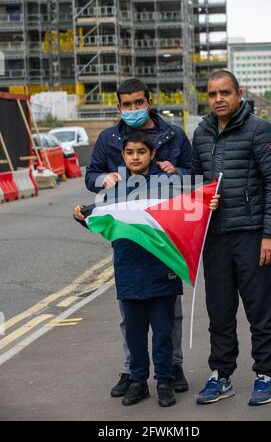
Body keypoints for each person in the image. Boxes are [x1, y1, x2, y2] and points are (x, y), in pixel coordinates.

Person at [74, 131, 220, 407]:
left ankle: (165, 380)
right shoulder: (113, 188)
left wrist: (207, 203)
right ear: (123, 156)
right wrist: (82, 215)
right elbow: (101, 218)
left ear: (152, 154)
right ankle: (138, 381)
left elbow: (191, 206)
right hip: (127, 268)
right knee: (135, 333)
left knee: (164, 332)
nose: (135, 157)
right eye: (130, 153)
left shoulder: (169, 183)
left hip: (161, 267)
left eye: (141, 152)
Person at [84, 78, 193, 396]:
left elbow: (193, 173)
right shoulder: (109, 138)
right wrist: (104, 178)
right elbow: (92, 176)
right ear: (118, 106)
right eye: (126, 104)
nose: (133, 109)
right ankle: (134, 371)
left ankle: (171, 368)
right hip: (128, 238)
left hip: (162, 234)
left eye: (138, 102)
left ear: (149, 101)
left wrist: (177, 173)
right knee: (129, 313)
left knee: (168, 310)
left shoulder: (173, 135)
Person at [192, 70, 271, 406]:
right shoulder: (201, 133)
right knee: (219, 311)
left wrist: (270, 235)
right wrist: (200, 197)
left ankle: (265, 376)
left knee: (260, 310)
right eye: (213, 94)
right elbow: (195, 184)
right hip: (214, 238)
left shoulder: (259, 130)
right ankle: (222, 375)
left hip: (251, 235)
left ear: (239, 93)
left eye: (225, 93)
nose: (218, 99)